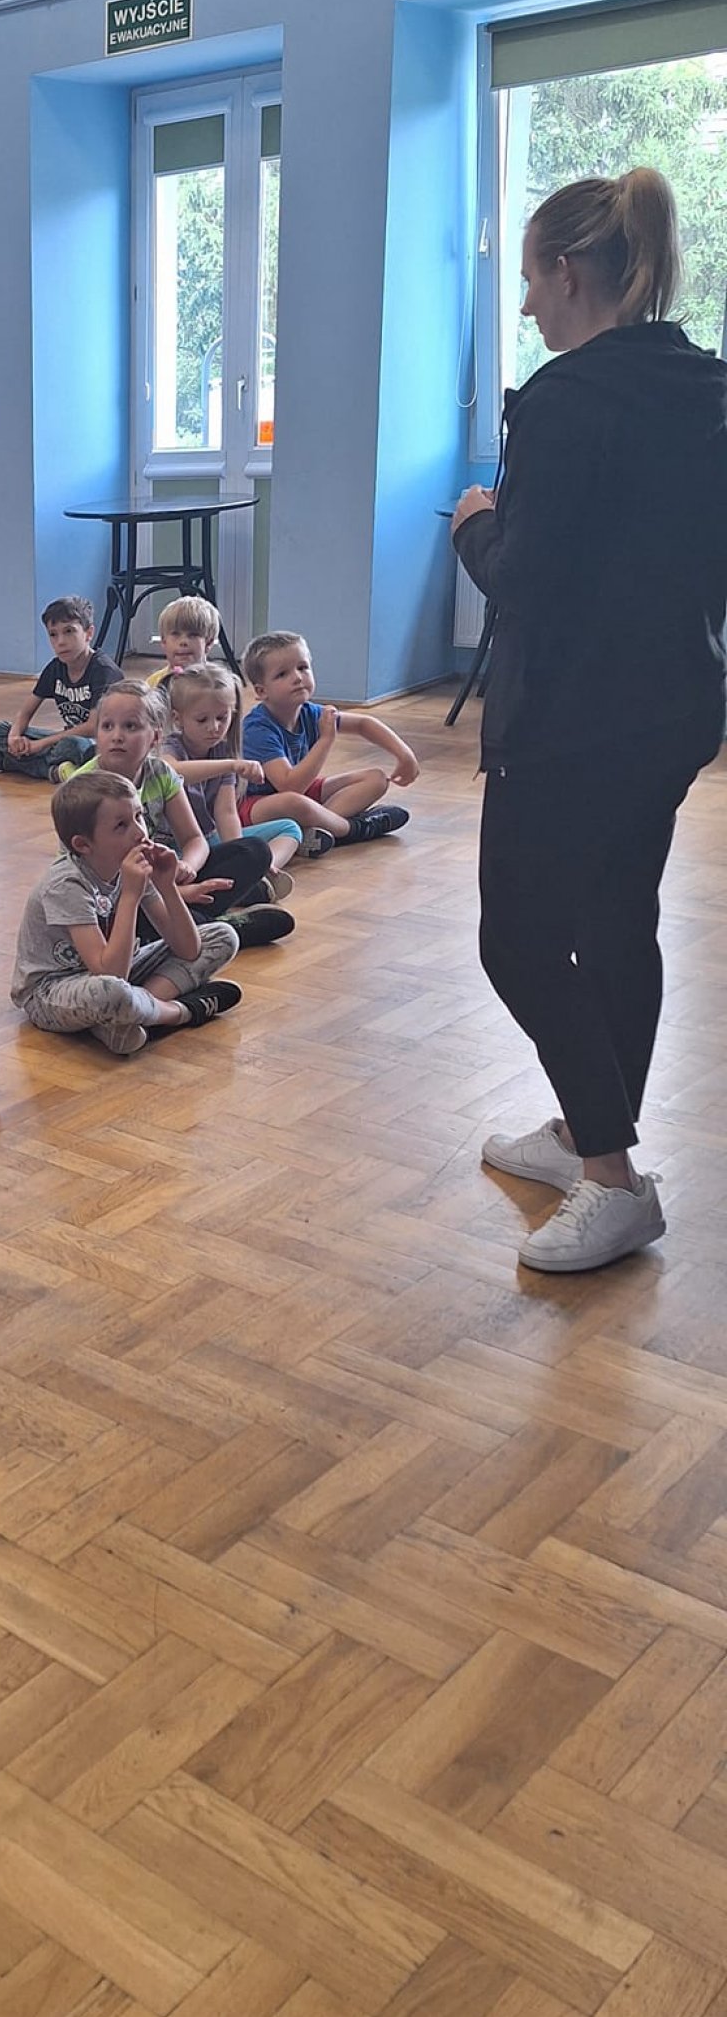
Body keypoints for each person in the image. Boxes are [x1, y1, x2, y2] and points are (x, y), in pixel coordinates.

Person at [453, 166, 727, 1273]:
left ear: (569, 273)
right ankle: (582, 1134)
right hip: (673, 708)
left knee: (516, 938)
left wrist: (472, 525)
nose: (526, 305)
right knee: (617, 918)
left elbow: (524, 578)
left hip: (567, 717)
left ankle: (612, 1180)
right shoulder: (706, 384)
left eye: (529, 280)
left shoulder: (563, 400)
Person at [13, 769, 242, 1055]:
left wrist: (167, 886)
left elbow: (188, 949)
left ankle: (124, 1019)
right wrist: (131, 895)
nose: (139, 832)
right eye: (121, 826)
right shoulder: (66, 885)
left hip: (117, 971)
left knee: (223, 936)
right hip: (52, 991)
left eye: (139, 816)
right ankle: (178, 1012)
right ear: (83, 844)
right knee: (113, 992)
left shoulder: (130, 866)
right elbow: (110, 974)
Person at [73, 681, 291, 938]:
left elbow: (194, 838)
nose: (117, 736)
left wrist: (187, 866)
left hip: (162, 878)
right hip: (115, 896)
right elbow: (89, 874)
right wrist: (173, 893)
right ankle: (220, 929)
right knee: (127, 920)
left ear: (155, 737)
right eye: (107, 726)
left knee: (254, 851)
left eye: (130, 726)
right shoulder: (84, 786)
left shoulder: (161, 773)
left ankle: (200, 928)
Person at [241, 633, 416, 843]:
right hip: (254, 805)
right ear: (261, 691)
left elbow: (363, 724)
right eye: (282, 674)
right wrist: (326, 740)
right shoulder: (257, 728)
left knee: (376, 779)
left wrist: (404, 754)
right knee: (295, 802)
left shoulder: (309, 712)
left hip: (300, 793)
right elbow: (289, 786)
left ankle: (318, 831)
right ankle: (355, 829)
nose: (297, 677)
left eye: (302, 668)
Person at [164, 663, 309, 887]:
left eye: (222, 718)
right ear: (177, 718)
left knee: (289, 829)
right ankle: (246, 882)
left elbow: (226, 813)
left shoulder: (223, 753)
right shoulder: (171, 747)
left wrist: (244, 855)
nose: (214, 727)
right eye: (202, 720)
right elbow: (171, 772)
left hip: (209, 840)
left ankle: (258, 876)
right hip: (174, 847)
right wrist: (230, 765)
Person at [0, 595, 119, 777]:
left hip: (97, 744)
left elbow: (92, 727)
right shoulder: (55, 667)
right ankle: (59, 770)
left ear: (89, 633)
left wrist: (40, 745)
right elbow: (26, 711)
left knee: (73, 745)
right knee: (0, 730)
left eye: (69, 631)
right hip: (64, 740)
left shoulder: (103, 670)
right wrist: (14, 737)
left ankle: (16, 763)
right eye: (53, 634)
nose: (61, 641)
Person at [147, 595, 225, 689]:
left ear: (208, 642)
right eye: (175, 634)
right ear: (164, 641)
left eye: (193, 635)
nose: (183, 642)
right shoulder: (154, 684)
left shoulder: (215, 685)